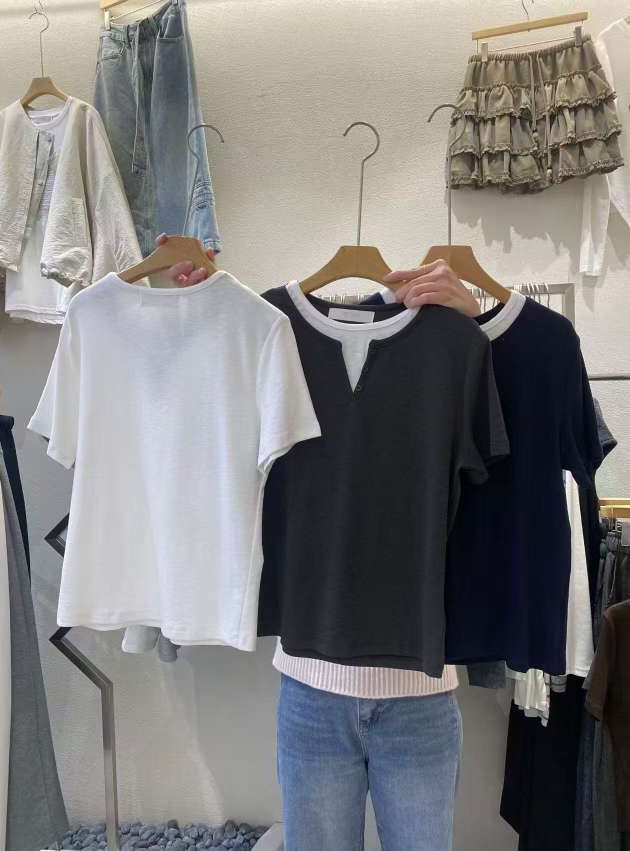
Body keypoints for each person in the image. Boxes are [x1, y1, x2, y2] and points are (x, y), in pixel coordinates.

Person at [159, 233, 481, 850]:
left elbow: (509, 470)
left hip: (422, 696)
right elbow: (186, 414)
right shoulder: (266, 332)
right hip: (310, 688)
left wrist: (477, 322)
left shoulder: (454, 345)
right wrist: (194, 314)